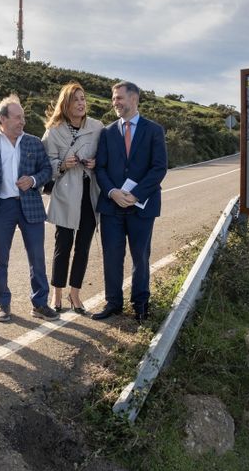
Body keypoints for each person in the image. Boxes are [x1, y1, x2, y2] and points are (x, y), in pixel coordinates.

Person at [0, 95, 58, 322]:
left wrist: (32, 179)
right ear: (3, 119)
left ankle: (39, 304)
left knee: (37, 258)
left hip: (30, 205)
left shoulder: (33, 142)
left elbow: (46, 171)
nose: (23, 121)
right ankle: (2, 304)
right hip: (1, 208)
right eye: (18, 117)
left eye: (23, 117)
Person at [92, 81, 168, 321]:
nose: (115, 102)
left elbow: (159, 168)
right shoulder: (107, 132)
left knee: (140, 257)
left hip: (141, 207)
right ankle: (113, 303)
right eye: (114, 98)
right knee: (112, 257)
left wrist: (135, 195)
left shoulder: (154, 130)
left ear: (134, 99)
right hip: (111, 207)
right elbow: (100, 168)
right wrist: (112, 192)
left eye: (119, 98)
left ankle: (141, 305)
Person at [42, 82, 103, 314]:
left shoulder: (97, 127)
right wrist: (61, 165)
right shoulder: (53, 130)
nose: (81, 103)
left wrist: (96, 163)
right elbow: (45, 165)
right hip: (66, 194)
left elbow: (105, 157)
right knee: (63, 245)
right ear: (65, 104)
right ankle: (56, 293)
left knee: (83, 246)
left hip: (89, 194)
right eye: (75, 99)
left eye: (83, 98)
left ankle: (75, 294)